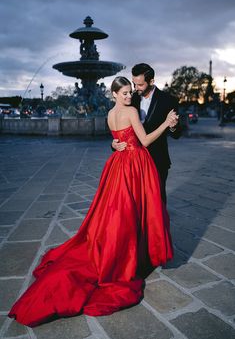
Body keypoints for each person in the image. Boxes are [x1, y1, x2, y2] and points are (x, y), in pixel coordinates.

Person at [8, 77, 177, 328]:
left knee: (119, 212)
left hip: (118, 165)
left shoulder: (110, 114)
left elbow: (117, 137)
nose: (129, 97)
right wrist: (165, 123)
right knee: (136, 211)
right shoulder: (131, 112)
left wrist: (113, 143)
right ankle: (130, 256)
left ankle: (128, 251)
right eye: (125, 93)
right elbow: (145, 141)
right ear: (114, 94)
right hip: (135, 165)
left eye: (131, 93)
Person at [112, 63, 181, 203]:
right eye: (134, 83)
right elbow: (121, 125)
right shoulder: (131, 99)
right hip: (133, 161)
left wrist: (172, 126)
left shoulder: (168, 100)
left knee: (157, 200)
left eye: (140, 85)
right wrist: (114, 143)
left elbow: (177, 134)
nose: (135, 88)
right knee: (136, 202)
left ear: (151, 81)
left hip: (157, 159)